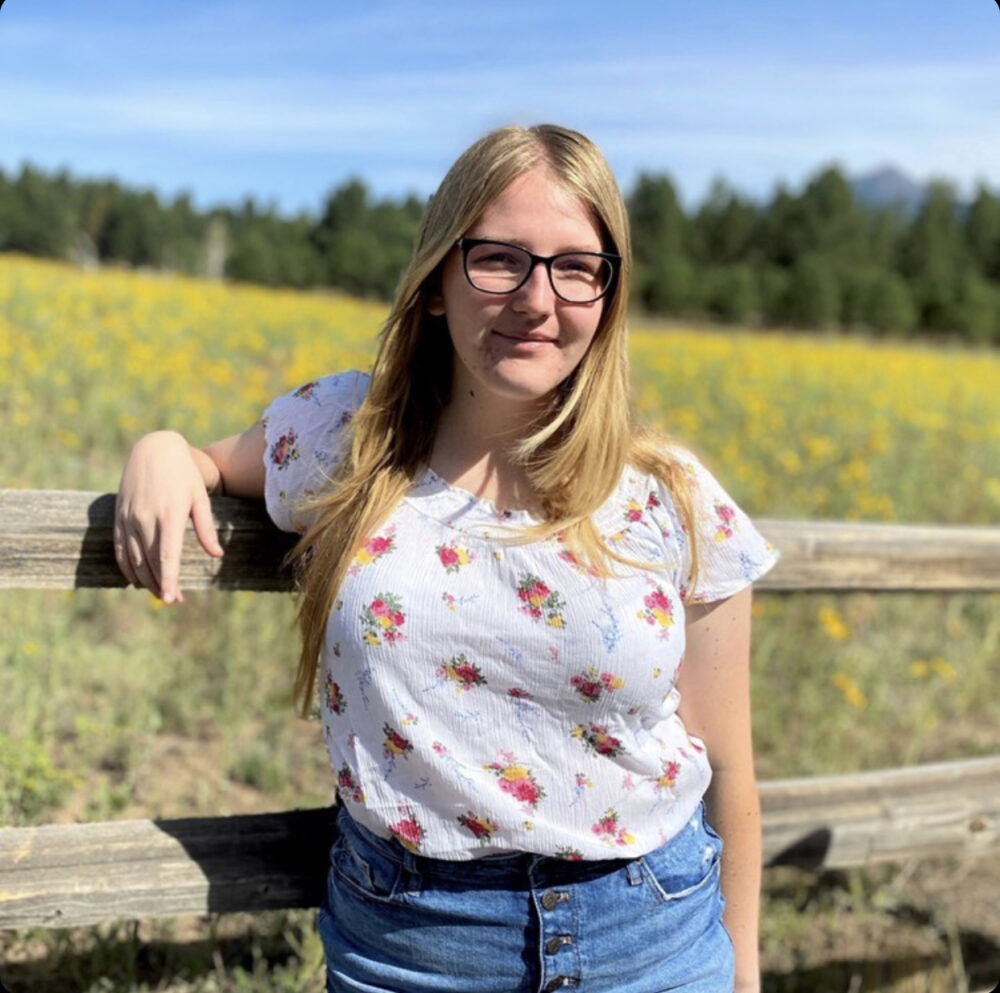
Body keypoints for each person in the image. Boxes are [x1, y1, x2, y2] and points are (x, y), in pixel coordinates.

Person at [115, 123, 777, 993]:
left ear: (608, 296)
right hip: (412, 944)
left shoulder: (672, 496)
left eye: (577, 267)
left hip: (653, 937)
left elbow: (726, 767)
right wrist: (160, 451)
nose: (537, 299)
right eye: (499, 259)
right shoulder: (345, 439)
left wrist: (745, 973)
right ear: (435, 281)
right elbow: (207, 462)